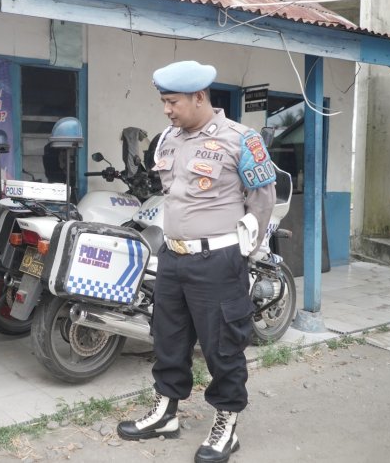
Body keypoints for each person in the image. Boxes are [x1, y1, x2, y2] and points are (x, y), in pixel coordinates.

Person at [116, 61, 276, 463]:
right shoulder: (168, 138)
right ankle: (165, 413)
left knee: (223, 346)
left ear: (199, 97)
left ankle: (226, 422)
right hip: (172, 257)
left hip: (218, 260)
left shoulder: (242, 140)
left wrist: (243, 253)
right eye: (163, 101)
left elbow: (262, 201)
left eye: (172, 102)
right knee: (167, 339)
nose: (166, 110)